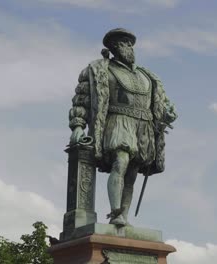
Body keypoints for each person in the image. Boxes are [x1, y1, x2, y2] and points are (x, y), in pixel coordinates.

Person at [68, 28, 177, 226]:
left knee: (133, 173)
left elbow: (162, 104)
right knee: (121, 160)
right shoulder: (99, 69)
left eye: (129, 43)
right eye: (122, 43)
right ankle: (115, 212)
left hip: (143, 126)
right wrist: (78, 125)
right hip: (118, 120)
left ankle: (124, 216)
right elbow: (81, 99)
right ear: (113, 47)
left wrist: (167, 114)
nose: (128, 47)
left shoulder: (148, 76)